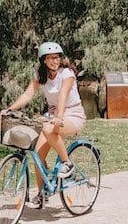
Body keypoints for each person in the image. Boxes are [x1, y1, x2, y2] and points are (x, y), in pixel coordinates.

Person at [5, 42, 86, 208]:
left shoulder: (67, 73)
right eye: (50, 58)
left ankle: (67, 163)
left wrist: (59, 117)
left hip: (72, 114)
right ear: (44, 60)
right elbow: (28, 94)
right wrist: (10, 109)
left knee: (48, 128)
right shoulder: (40, 76)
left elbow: (63, 95)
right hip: (52, 115)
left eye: (57, 57)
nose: (55, 61)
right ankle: (42, 194)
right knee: (37, 155)